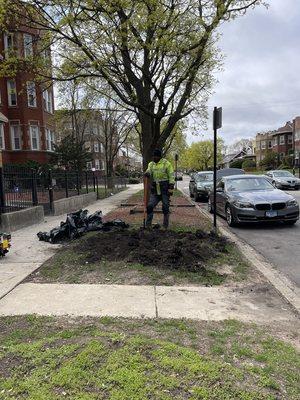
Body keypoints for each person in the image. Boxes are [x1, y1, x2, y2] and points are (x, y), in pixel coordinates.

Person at [144, 149, 175, 229]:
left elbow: (171, 174)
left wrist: (171, 185)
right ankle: (148, 225)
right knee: (150, 206)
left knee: (165, 207)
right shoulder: (151, 164)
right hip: (155, 189)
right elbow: (149, 170)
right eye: (153, 156)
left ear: (160, 157)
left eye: (156, 156)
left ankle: (165, 226)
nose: (154, 158)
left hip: (164, 188)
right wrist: (147, 173)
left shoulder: (166, 163)